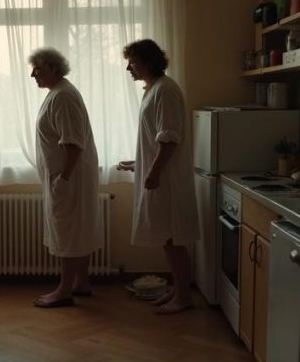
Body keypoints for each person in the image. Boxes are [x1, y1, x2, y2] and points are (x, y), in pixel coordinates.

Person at [118, 39, 199, 315]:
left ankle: (184, 297)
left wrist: (152, 172)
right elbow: (155, 139)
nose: (128, 68)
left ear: (148, 62)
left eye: (133, 62)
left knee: (174, 239)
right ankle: (177, 290)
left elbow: (169, 138)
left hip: (168, 181)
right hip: (162, 176)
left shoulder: (165, 91)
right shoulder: (154, 89)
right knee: (167, 237)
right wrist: (139, 162)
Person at [28, 48, 101, 308]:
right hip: (67, 175)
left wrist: (63, 179)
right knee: (76, 229)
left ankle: (64, 291)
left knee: (68, 231)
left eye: (37, 68)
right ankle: (82, 282)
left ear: (52, 68)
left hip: (69, 176)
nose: (33, 74)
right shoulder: (58, 93)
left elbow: (73, 143)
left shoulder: (63, 96)